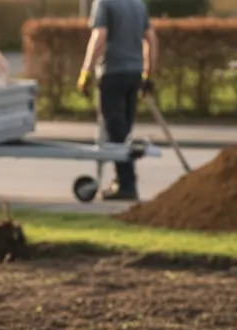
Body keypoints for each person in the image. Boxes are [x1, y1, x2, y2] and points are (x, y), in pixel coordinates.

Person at [77, 0, 157, 201]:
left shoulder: (104, 2)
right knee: (124, 129)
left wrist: (86, 70)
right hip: (134, 73)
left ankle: (127, 185)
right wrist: (149, 74)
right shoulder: (137, 4)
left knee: (115, 130)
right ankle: (122, 180)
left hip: (112, 72)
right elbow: (151, 38)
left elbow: (100, 35)